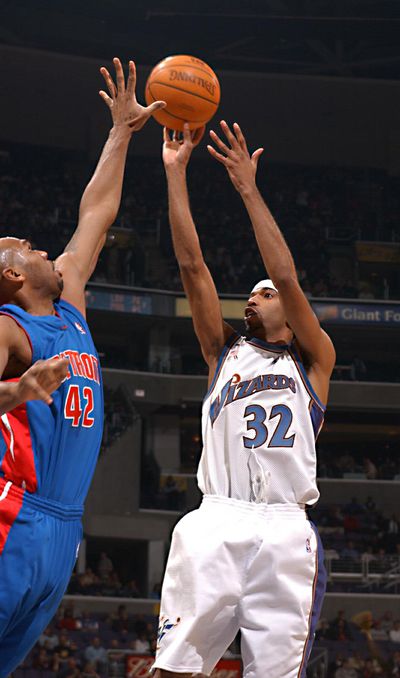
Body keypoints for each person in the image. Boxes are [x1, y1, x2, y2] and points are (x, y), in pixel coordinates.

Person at [153, 121, 335, 678]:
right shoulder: (221, 353)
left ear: (291, 308)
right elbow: (192, 266)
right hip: (216, 520)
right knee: (173, 670)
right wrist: (174, 173)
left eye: (266, 293)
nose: (254, 297)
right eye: (252, 292)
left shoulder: (314, 359)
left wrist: (247, 188)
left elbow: (285, 271)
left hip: (286, 527)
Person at [0, 57, 164, 675]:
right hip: (14, 512)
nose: (45, 247)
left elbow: (97, 212)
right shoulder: (10, 329)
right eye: (28, 247)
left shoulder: (68, 303)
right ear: (14, 274)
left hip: (65, 527)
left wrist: (122, 131)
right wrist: (16, 392)